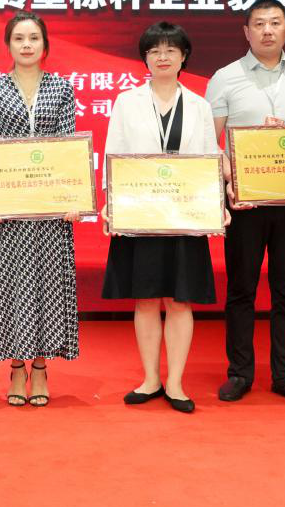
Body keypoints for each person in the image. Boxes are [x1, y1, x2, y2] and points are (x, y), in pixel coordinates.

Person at [204, 0, 285, 406]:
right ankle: (240, 373)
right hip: (245, 204)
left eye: (275, 23)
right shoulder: (225, 77)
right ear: (246, 31)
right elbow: (210, 142)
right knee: (241, 289)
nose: (267, 30)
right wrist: (229, 181)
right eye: (259, 24)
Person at [102, 21, 224, 414]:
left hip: (185, 215)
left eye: (171, 49)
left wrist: (216, 204)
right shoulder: (127, 102)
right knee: (145, 300)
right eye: (154, 50)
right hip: (141, 214)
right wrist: (112, 203)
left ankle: (176, 383)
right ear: (145, 58)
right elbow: (114, 155)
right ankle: (151, 378)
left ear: (184, 56)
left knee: (180, 301)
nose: (163, 57)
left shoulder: (200, 105)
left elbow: (209, 158)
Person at [0, 12, 81, 407]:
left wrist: (73, 198)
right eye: (19, 38)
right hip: (9, 210)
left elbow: (69, 148)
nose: (26, 44)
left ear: (45, 45)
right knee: (14, 285)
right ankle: (17, 368)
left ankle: (40, 367)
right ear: (8, 45)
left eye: (33, 38)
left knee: (47, 285)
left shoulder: (61, 88)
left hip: (51, 210)